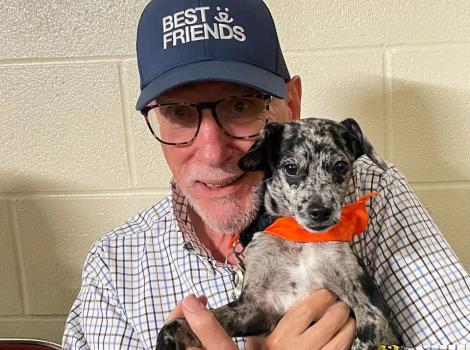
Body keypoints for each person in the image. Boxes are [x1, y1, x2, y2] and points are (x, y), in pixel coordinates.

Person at [62, 0, 470, 349]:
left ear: (290, 103)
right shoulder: (115, 267)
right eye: (177, 112)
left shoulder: (372, 194)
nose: (214, 151)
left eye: (241, 106)